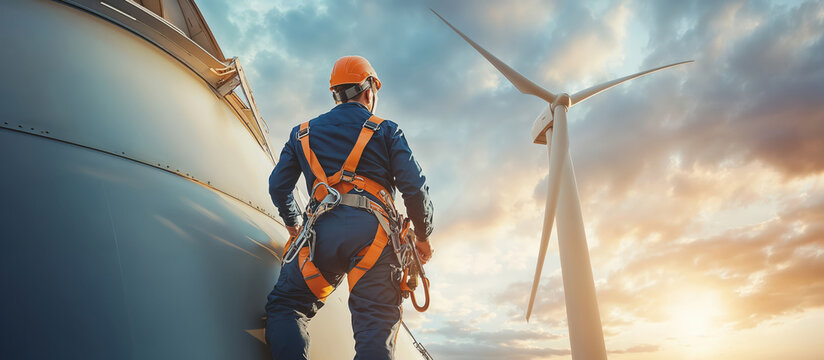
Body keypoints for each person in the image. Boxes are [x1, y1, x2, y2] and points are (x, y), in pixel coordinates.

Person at [265, 55, 434, 360]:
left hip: (320, 237)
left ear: (335, 93)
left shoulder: (301, 133)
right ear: (370, 89)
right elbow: (414, 188)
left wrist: (293, 225)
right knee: (374, 326)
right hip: (374, 237)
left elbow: (278, 186)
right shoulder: (386, 130)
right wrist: (422, 237)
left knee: (287, 307)